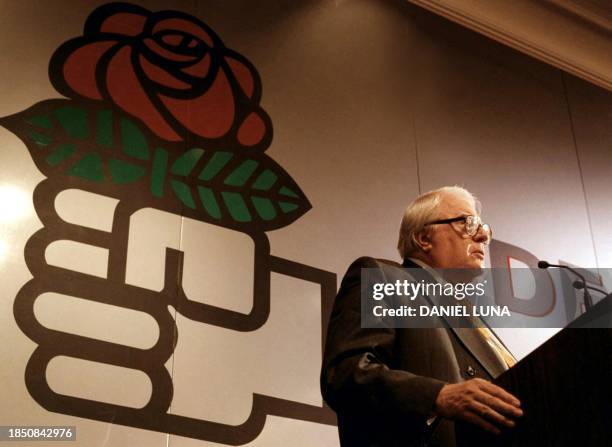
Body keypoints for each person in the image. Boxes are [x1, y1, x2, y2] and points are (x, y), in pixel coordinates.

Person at [321, 186, 523, 447]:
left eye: (483, 227)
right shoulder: (383, 276)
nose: (483, 236)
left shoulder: (473, 318)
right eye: (468, 223)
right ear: (424, 239)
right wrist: (438, 396)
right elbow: (346, 374)